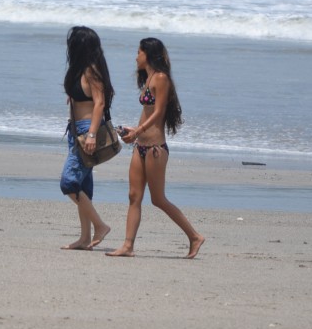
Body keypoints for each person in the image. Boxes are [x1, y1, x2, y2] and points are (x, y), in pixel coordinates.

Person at [107, 38, 205, 259]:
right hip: (140, 146)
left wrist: (138, 131)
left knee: (158, 199)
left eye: (138, 52)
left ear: (148, 54)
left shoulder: (160, 78)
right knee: (134, 195)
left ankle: (195, 236)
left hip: (155, 149)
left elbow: (159, 113)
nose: (136, 56)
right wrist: (133, 131)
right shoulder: (149, 78)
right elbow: (149, 114)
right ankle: (127, 245)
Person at [59, 26, 113, 250]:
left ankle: (100, 226)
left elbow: (100, 102)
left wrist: (91, 134)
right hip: (75, 130)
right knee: (83, 186)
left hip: (87, 131)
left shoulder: (92, 70)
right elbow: (86, 97)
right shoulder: (78, 69)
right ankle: (84, 238)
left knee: (69, 182)